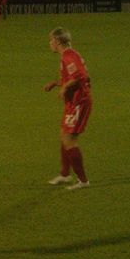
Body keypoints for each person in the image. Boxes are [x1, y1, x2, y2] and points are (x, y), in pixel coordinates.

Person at [43, 27, 92, 190]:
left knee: (69, 139)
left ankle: (83, 181)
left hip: (79, 102)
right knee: (64, 135)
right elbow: (73, 76)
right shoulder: (69, 55)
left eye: (51, 40)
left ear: (57, 41)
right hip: (73, 102)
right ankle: (65, 174)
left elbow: (81, 76)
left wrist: (64, 88)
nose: (49, 43)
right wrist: (56, 83)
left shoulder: (69, 56)